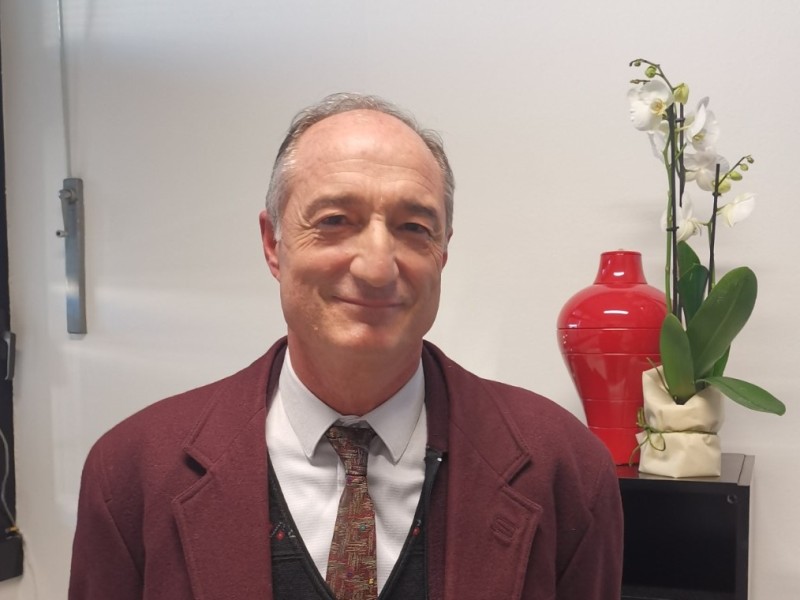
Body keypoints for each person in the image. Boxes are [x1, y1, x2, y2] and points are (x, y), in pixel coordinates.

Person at [69, 93, 623, 600]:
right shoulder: (131, 475)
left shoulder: (567, 471)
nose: (377, 267)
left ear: (443, 252)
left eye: (414, 227)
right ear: (273, 244)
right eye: (335, 221)